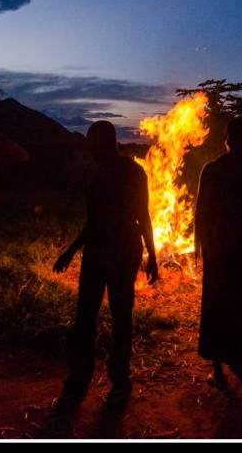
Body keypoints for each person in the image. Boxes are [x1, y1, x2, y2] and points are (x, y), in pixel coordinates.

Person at [51, 121, 159, 412]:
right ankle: (77, 382)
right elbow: (94, 220)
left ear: (106, 143)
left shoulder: (133, 172)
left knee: (120, 317)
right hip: (96, 252)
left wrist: (152, 256)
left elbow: (144, 216)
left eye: (92, 143)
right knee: (85, 318)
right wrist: (71, 251)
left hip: (122, 252)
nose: (89, 148)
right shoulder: (98, 174)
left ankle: (120, 382)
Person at [195, 117, 242, 388]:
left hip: (235, 250)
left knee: (229, 306)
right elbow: (201, 209)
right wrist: (198, 243)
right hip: (225, 249)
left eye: (239, 137)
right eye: (235, 137)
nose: (236, 141)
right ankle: (222, 366)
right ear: (228, 140)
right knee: (227, 306)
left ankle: (229, 364)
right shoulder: (220, 170)